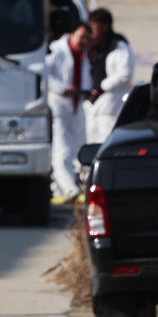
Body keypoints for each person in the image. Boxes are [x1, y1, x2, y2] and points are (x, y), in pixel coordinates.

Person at [46, 22, 93, 202]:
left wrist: (87, 91)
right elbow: (46, 74)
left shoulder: (82, 54)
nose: (84, 41)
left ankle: (64, 188)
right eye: (81, 36)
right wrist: (63, 88)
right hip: (59, 104)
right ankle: (68, 189)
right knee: (62, 148)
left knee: (78, 146)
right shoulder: (56, 50)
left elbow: (84, 76)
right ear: (72, 34)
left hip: (76, 104)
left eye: (87, 39)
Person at [85, 8, 135, 145]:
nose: (92, 31)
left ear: (106, 26)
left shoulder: (118, 45)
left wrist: (103, 86)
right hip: (89, 103)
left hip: (110, 103)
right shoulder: (89, 45)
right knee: (89, 142)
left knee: (106, 140)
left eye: (95, 27)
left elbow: (125, 74)